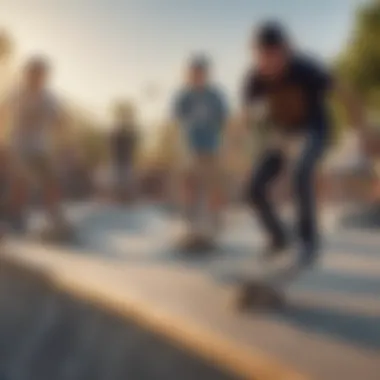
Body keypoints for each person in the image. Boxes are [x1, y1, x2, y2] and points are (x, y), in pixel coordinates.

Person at [242, 21, 367, 271]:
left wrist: (361, 128)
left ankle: (307, 241)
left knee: (301, 171)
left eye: (274, 56)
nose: (269, 65)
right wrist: (259, 138)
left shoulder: (305, 68)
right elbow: (249, 117)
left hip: (314, 131)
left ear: (286, 51)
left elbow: (342, 90)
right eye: (263, 57)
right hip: (281, 136)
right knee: (253, 188)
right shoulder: (254, 80)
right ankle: (279, 238)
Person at [0, 56, 70, 237]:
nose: (36, 79)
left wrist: (65, 139)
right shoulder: (16, 93)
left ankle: (54, 216)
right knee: (20, 180)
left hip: (40, 148)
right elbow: (3, 113)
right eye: (33, 75)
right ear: (27, 75)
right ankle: (15, 215)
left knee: (50, 180)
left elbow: (59, 119)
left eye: (40, 76)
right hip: (19, 145)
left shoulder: (49, 97)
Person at [173, 54, 228, 247]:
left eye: (200, 74)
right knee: (189, 184)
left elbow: (224, 119)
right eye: (194, 74)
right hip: (190, 147)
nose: (197, 77)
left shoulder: (215, 96)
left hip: (211, 147)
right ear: (189, 75)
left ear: (206, 74)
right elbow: (176, 118)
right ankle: (189, 222)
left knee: (213, 185)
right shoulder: (184, 96)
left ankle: (214, 222)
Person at [109, 101, 139, 202]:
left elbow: (132, 144)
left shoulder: (128, 134)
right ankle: (120, 198)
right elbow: (113, 146)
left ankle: (126, 198)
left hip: (125, 162)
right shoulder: (116, 134)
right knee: (120, 182)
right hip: (119, 162)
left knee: (125, 182)